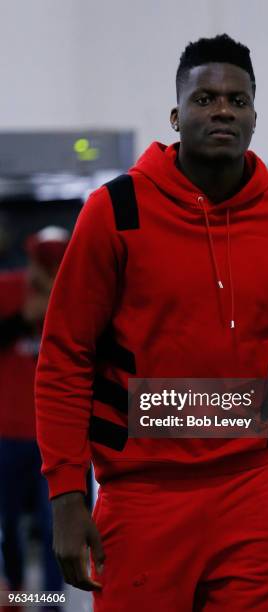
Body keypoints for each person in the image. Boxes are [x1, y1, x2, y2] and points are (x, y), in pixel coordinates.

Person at [35, 35, 268, 612]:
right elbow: (64, 360)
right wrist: (66, 496)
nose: (223, 110)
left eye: (238, 99)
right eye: (206, 98)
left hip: (253, 486)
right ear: (177, 114)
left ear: (256, 115)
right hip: (140, 492)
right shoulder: (115, 212)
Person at [0, 227, 69, 596]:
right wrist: (25, 318)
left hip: (57, 436)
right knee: (8, 522)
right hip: (8, 431)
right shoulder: (8, 289)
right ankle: (14, 590)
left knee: (56, 523)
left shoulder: (76, 297)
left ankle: (49, 602)